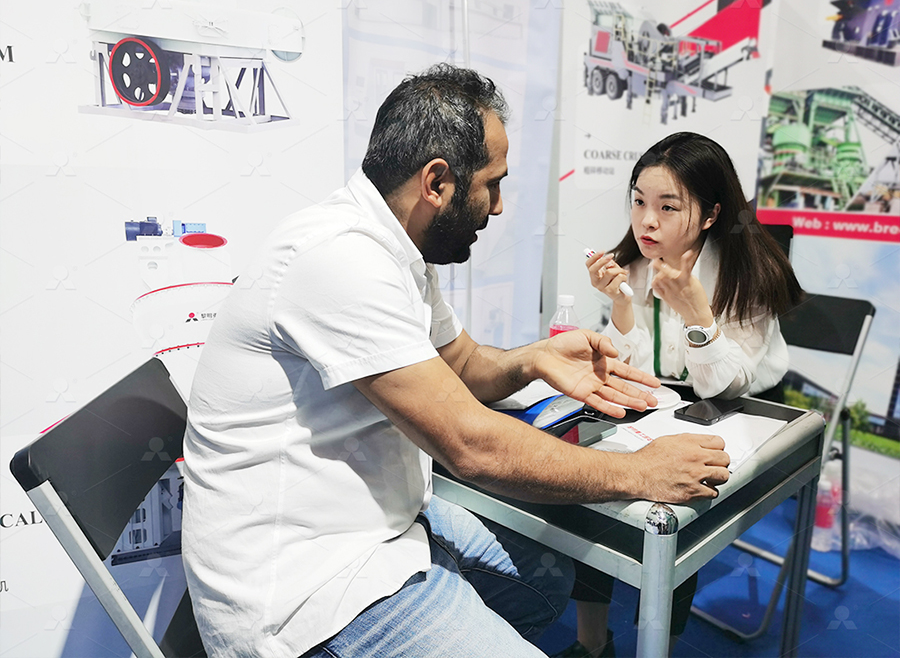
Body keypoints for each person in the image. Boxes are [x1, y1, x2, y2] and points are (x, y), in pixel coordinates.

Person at [181, 65, 732, 658]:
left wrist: (536, 358)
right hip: (309, 591)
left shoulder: (396, 249)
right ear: (437, 183)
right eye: (491, 185)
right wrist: (638, 473)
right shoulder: (341, 260)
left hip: (381, 528)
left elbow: (462, 363)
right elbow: (471, 446)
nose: (497, 207)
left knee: (547, 577)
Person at [554, 131, 803, 658]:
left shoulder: (749, 275)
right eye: (639, 201)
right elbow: (633, 370)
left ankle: (658, 645)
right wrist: (622, 304)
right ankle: (591, 643)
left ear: (711, 215)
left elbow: (725, 385)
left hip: (741, 407)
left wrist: (696, 313)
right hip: (665, 402)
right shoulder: (634, 263)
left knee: (673, 507)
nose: (646, 221)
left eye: (668, 207)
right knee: (588, 480)